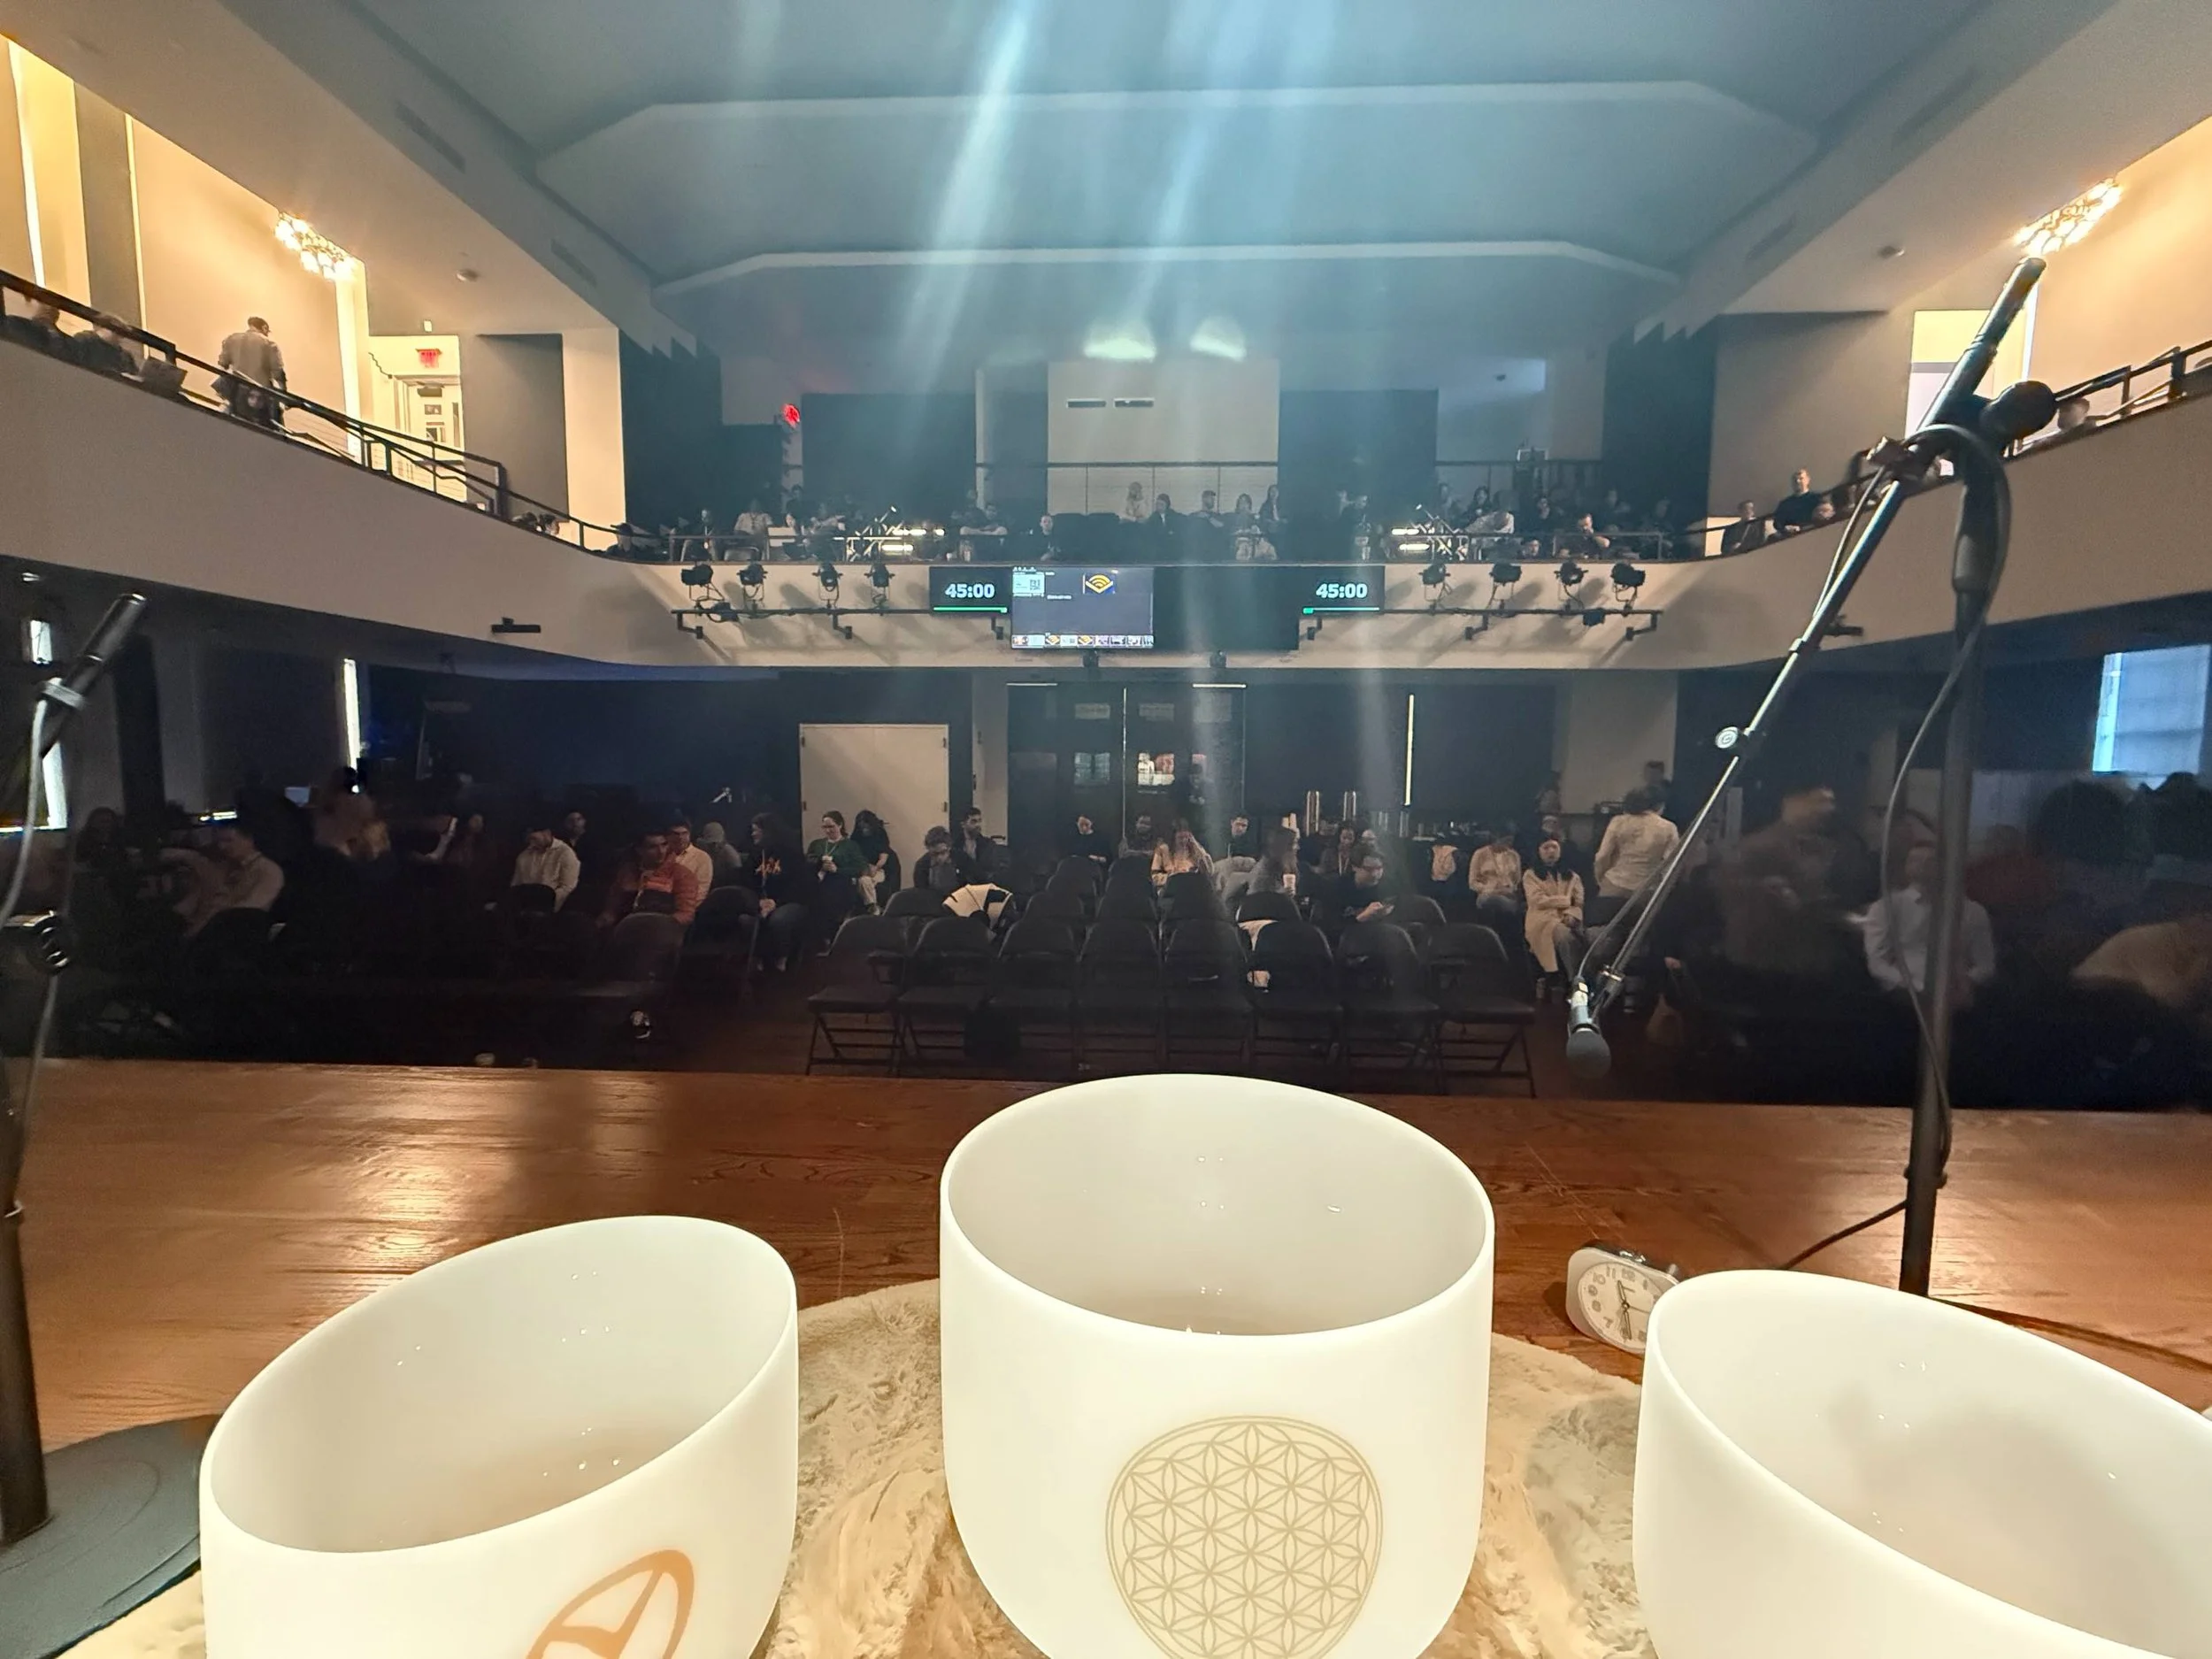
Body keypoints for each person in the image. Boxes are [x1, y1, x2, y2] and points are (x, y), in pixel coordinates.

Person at [1862, 839, 1996, 1003]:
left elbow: (1985, 964)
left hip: (1958, 996)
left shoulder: (1972, 911)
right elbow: (1877, 963)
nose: (1923, 865)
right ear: (1906, 867)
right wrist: (1917, 987)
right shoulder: (1887, 907)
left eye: (1931, 861)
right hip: (1903, 998)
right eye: (1915, 860)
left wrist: (1961, 984)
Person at [162, 822, 284, 937]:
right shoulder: (222, 868)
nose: (223, 847)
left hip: (233, 933)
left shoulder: (268, 870)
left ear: (248, 840)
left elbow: (252, 908)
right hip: (202, 929)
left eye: (229, 841)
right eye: (220, 842)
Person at [1592, 787, 1681, 923]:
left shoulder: (1618, 822)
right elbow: (1671, 865)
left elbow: (1602, 856)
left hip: (1615, 885)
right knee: (1641, 937)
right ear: (1657, 805)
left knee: (1605, 934)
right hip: (1647, 889)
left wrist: (1600, 878)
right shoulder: (1668, 827)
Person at [749, 813, 817, 968]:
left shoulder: (791, 854)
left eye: (756, 830)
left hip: (791, 901)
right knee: (747, 920)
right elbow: (748, 881)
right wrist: (758, 901)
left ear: (767, 831)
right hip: (762, 901)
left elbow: (801, 887)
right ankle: (758, 958)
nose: (753, 834)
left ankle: (782, 959)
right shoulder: (756, 855)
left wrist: (775, 902)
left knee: (778, 920)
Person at [1523, 835, 1586, 988]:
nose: (1551, 851)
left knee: (1580, 937)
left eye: (1554, 847)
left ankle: (1580, 975)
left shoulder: (1572, 876)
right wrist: (1564, 901)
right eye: (1546, 848)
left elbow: (1578, 902)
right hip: (1541, 919)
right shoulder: (1530, 875)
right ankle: (1574, 980)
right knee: (1563, 935)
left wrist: (1572, 914)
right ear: (1538, 852)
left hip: (1567, 918)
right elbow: (1538, 900)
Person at [603, 830, 703, 927]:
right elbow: (612, 907)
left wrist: (660, 926)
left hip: (661, 933)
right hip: (624, 930)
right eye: (653, 847)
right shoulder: (628, 872)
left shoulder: (681, 874)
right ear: (639, 850)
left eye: (664, 845)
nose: (661, 851)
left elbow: (685, 914)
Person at [216, 315, 287, 428]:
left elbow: (222, 364)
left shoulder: (232, 339)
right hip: (260, 398)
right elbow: (278, 374)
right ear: (264, 328)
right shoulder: (270, 345)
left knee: (234, 425)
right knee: (267, 430)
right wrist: (284, 397)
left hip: (236, 392)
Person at [1467, 825, 1524, 935]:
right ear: (1496, 838)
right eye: (1506, 841)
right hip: (1486, 894)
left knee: (1507, 905)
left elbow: (1517, 881)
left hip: (1509, 894)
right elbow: (1472, 883)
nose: (1509, 845)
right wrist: (1491, 890)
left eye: (1511, 841)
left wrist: (1510, 891)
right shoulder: (1480, 854)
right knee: (1491, 901)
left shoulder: (1514, 855)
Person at [511, 822, 580, 910]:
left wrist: (545, 902)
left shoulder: (566, 853)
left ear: (547, 833)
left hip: (554, 909)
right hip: (524, 908)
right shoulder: (523, 856)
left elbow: (568, 887)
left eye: (534, 839)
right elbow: (516, 884)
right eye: (529, 840)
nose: (531, 843)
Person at [1327, 847, 1395, 928]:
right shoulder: (1336, 886)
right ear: (1354, 867)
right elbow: (1331, 927)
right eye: (1369, 869)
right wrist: (1361, 917)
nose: (1374, 874)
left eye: (1379, 868)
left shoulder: (1389, 887)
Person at [849, 810, 895, 906]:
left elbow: (884, 856)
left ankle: (872, 906)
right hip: (861, 869)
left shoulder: (880, 835)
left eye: (867, 827)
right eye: (862, 827)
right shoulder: (856, 837)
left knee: (866, 882)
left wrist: (876, 867)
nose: (865, 830)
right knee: (864, 881)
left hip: (878, 869)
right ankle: (873, 906)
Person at [1150, 820, 1213, 886]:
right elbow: (1155, 877)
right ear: (1173, 837)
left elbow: (1209, 871)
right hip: (1170, 888)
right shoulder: (1162, 850)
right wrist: (1173, 877)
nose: (1184, 841)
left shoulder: (1195, 849)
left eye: (1186, 837)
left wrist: (1195, 844)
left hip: (1192, 887)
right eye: (1180, 838)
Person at [1246, 825, 1302, 898]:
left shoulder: (1285, 865)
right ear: (1283, 846)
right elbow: (1258, 900)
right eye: (1294, 843)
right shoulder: (1264, 873)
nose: (1298, 848)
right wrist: (1282, 896)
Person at [953, 806, 1003, 884]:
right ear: (963, 824)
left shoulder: (989, 845)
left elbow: (994, 871)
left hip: (983, 885)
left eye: (979, 821)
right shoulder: (955, 845)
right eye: (973, 821)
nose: (978, 825)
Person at [667, 818, 716, 900]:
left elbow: (701, 891)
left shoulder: (702, 857)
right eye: (676, 834)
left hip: (689, 906)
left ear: (689, 835)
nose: (680, 838)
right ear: (668, 836)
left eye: (684, 833)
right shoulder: (662, 854)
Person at [915, 826, 964, 895]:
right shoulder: (922, 866)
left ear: (949, 847)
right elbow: (921, 894)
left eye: (943, 852)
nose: (939, 858)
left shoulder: (961, 858)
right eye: (934, 854)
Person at [695, 821, 748, 887]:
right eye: (712, 844)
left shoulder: (730, 853)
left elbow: (737, 876)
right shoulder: (701, 848)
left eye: (718, 843)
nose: (716, 846)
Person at [1771, 468, 1823, 534]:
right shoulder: (1785, 504)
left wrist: (1802, 528)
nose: (1798, 481)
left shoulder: (1816, 498)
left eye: (1801, 478)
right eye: (1795, 479)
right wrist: (1785, 528)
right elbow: (1777, 522)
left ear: (1808, 480)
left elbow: (1823, 516)